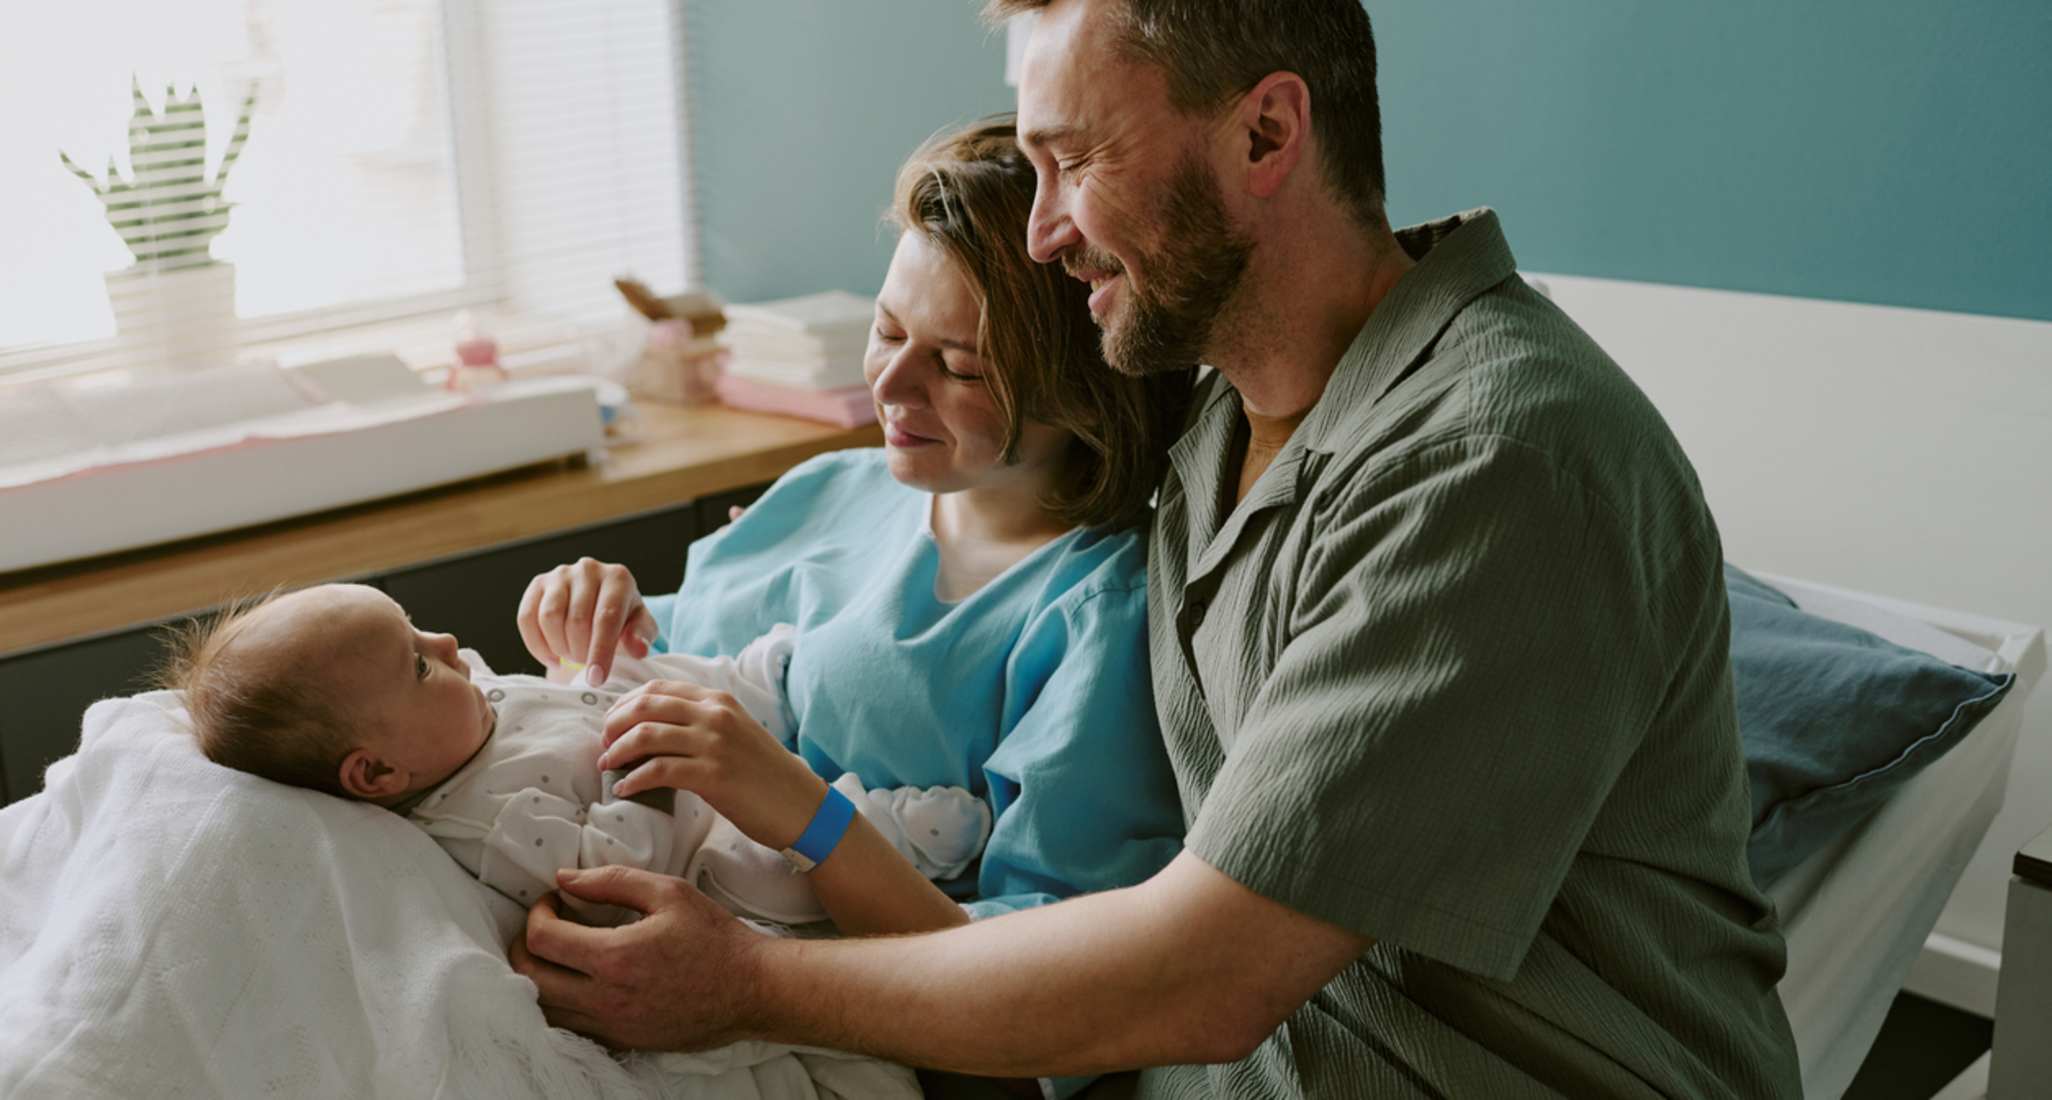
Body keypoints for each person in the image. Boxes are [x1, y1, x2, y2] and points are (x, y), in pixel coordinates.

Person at [510, 1, 1805, 1098]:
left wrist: (744, 986)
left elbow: (1209, 975)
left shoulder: (1492, 463)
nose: (1043, 230)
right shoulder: (1216, 427)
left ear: (1265, 132)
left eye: (1075, 161)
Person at [160, 583, 992, 929]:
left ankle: (756, 679)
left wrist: (587, 670)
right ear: (376, 774)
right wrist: (650, 779)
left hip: (641, 737)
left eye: (420, 628)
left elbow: (560, 693)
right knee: (760, 869)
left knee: (619, 674)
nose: (449, 642)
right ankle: (904, 834)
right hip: (702, 847)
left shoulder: (461, 711)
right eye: (419, 661)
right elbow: (612, 876)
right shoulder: (491, 827)